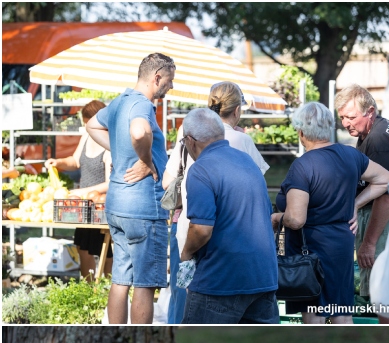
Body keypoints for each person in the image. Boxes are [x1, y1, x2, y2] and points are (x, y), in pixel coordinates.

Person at [272, 102, 389, 323]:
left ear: (301, 132)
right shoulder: (350, 155)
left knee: (314, 316)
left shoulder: (303, 166)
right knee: (342, 312)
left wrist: (277, 218)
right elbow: (386, 179)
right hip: (341, 244)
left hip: (309, 251)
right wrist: (355, 204)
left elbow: (296, 219)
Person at [163, 82, 269, 323]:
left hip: (203, 244)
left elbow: (200, 228)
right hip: (249, 255)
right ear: (237, 111)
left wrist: (186, 254)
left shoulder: (196, 153)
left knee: (185, 305)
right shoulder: (244, 150)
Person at [85, 52, 174, 324]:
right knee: (145, 283)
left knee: (121, 279)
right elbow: (139, 132)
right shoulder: (141, 105)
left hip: (118, 206)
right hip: (143, 209)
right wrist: (146, 160)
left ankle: (116, 337)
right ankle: (140, 342)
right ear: (156, 77)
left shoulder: (119, 101)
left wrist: (119, 149)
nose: (171, 86)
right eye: (169, 80)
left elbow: (91, 125)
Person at [335, 84, 389, 324]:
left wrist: (368, 244)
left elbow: (386, 194)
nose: (345, 123)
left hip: (381, 222)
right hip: (376, 217)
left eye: (351, 117)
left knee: (383, 297)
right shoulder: (373, 129)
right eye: (342, 117)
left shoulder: (377, 140)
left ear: (370, 112)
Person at [47, 99, 111, 280]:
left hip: (101, 208)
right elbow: (75, 161)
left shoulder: (110, 144)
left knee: (107, 252)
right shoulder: (86, 137)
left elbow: (110, 182)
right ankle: (88, 291)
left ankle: (107, 293)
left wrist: (83, 192)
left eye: (87, 124)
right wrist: (58, 162)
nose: (86, 128)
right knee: (83, 249)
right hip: (83, 207)